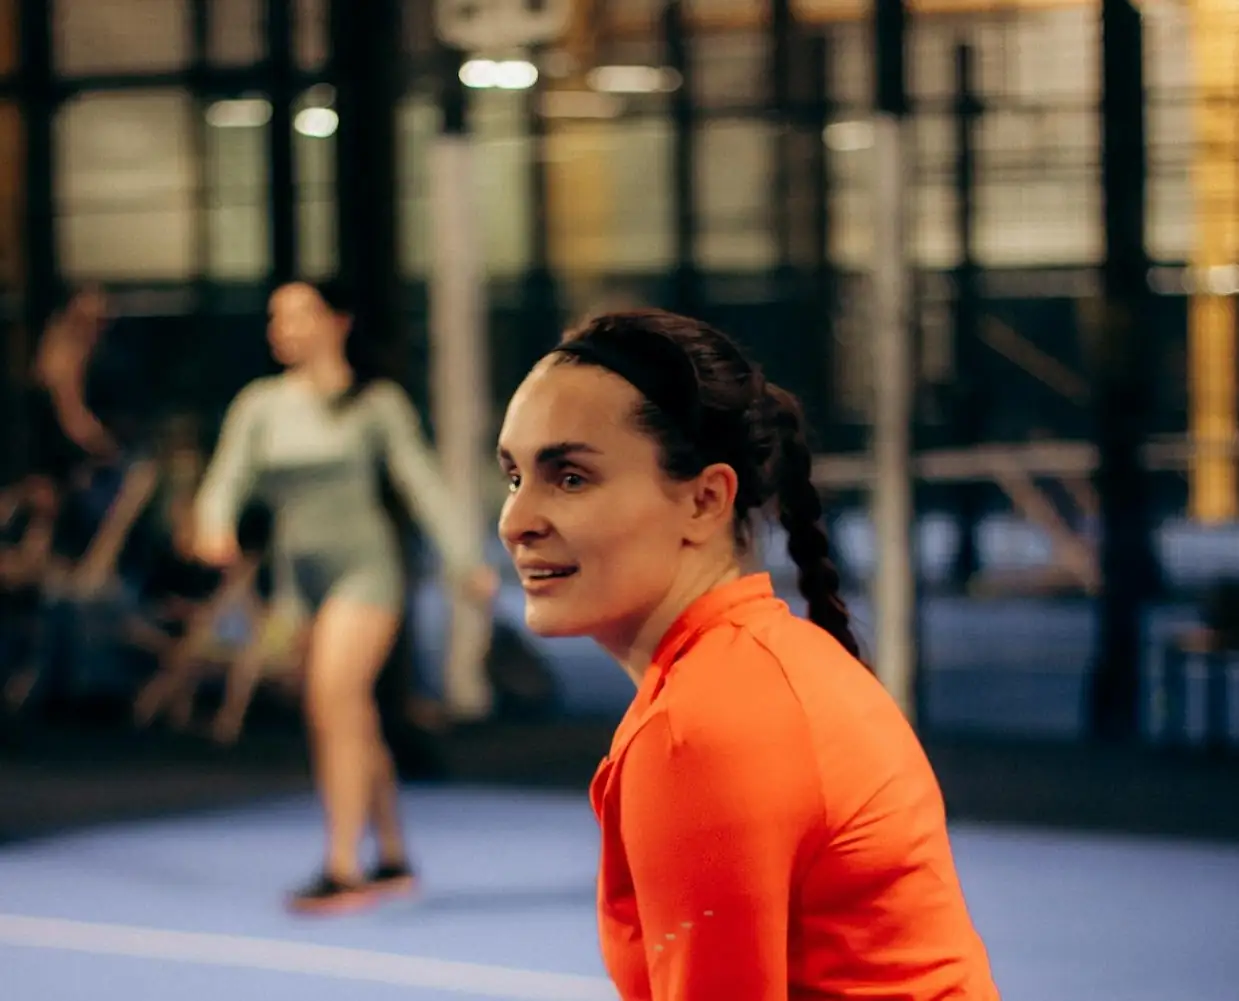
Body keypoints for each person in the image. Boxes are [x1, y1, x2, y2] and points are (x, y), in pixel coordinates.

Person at [496, 309, 1001, 1000]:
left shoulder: (702, 729)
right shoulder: (764, 662)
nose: (516, 520)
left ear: (704, 500)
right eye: (513, 476)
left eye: (571, 477)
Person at [193, 280, 496, 914]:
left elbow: (421, 480)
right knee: (343, 715)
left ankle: (341, 867)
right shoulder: (260, 405)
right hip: (296, 580)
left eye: (298, 313)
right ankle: (391, 858)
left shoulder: (376, 403)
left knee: (337, 700)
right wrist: (214, 523)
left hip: (366, 571)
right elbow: (227, 476)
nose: (283, 327)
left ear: (338, 322)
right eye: (275, 315)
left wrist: (463, 560)